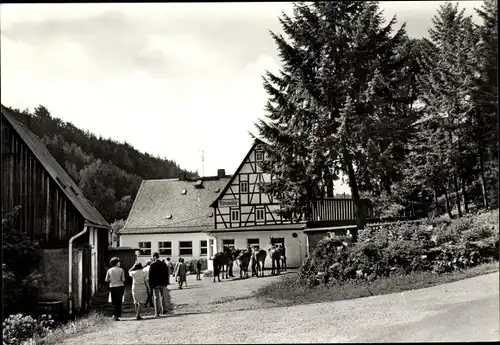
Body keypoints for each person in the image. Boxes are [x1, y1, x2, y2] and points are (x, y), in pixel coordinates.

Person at [148, 252, 169, 316]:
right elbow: (166, 274)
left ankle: (157, 312)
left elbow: (150, 275)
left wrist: (151, 284)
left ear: (154, 257)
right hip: (162, 283)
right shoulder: (164, 264)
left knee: (156, 297)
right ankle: (164, 309)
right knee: (163, 296)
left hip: (155, 284)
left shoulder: (152, 264)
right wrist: (166, 282)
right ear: (158, 256)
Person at [105, 257, 125, 321]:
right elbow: (123, 279)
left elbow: (106, 280)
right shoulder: (121, 270)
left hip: (112, 286)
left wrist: (111, 280)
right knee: (119, 301)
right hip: (120, 286)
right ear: (116, 263)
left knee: (114, 301)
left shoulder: (109, 270)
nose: (120, 263)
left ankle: (114, 314)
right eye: (119, 262)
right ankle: (117, 315)